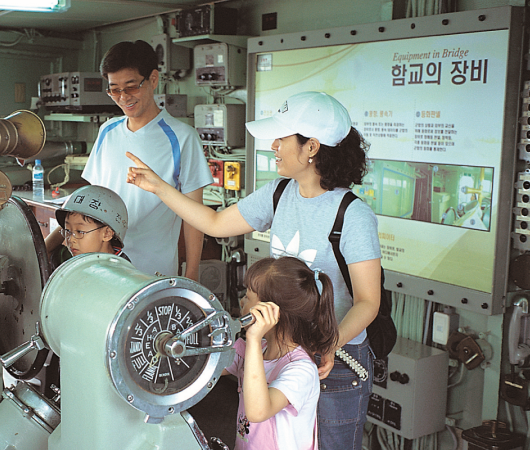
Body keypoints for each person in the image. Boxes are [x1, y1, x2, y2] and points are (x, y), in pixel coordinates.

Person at [126, 91, 381, 450]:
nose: (274, 145)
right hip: (281, 346)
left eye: (283, 138)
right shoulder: (278, 193)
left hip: (333, 360)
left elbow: (368, 302)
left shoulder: (353, 215)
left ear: (311, 147)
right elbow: (214, 222)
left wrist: (329, 344)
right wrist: (159, 187)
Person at [46, 40, 213, 280]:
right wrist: (44, 246)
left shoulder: (182, 137)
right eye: (114, 89)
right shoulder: (108, 131)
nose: (123, 97)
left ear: (153, 79)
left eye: (131, 87)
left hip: (151, 270)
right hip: (101, 268)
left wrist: (193, 273)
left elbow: (194, 215)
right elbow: (87, 202)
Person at [225, 256, 338, 450]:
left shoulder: (301, 371)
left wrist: (252, 338)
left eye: (248, 295)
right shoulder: (254, 350)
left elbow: (258, 411)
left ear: (269, 312)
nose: (241, 300)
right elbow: (207, 365)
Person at [53, 185, 130, 262]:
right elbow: (44, 254)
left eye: (80, 231)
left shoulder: (120, 270)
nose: (71, 239)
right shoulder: (76, 254)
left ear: (107, 233)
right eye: (68, 231)